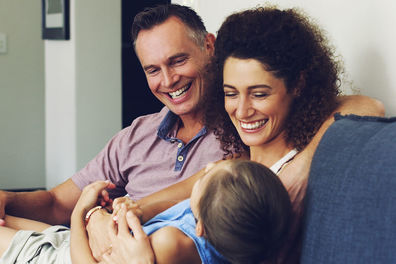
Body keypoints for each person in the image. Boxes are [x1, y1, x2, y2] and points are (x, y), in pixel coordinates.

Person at [102, 6, 385, 263]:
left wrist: (303, 166)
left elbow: (368, 106)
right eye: (230, 93)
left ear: (298, 85)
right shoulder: (231, 168)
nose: (242, 110)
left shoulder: (274, 182)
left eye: (259, 94)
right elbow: (143, 207)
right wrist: (95, 217)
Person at [0, 3, 225, 250]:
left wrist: (98, 214)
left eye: (178, 61)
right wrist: (0, 197)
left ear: (209, 46)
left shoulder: (242, 134)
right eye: (153, 70)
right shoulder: (138, 134)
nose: (168, 80)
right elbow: (57, 203)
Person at [0, 160, 293, 264]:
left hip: (59, 256)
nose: (203, 171)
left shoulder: (172, 245)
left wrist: (82, 212)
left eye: (205, 179)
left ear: (201, 226)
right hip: (66, 244)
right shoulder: (237, 227)